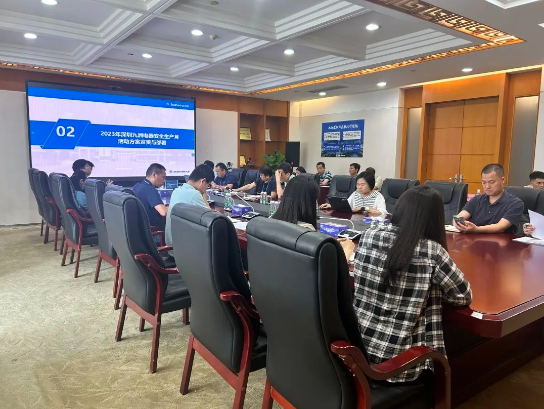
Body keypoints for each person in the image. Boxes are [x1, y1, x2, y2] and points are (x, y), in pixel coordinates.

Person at [352, 185, 472, 383]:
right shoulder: (431, 250)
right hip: (398, 363)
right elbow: (462, 296)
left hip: (357, 351)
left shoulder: (368, 235)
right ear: (434, 219)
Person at [453, 164, 524, 234]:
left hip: (500, 240)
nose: (487, 186)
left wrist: (476, 229)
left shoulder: (515, 203)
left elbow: (500, 227)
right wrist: (457, 222)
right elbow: (460, 216)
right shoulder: (476, 199)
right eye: (484, 182)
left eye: (491, 182)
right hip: (474, 239)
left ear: (503, 180)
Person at [165, 164, 214, 249]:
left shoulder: (176, 190)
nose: (207, 188)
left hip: (172, 245)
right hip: (184, 250)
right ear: (202, 181)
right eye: (208, 185)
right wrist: (204, 196)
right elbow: (212, 218)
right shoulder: (194, 194)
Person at [320, 171, 386, 217]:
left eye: (362, 185)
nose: (359, 187)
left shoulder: (378, 196)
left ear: (371, 184)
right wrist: (332, 205)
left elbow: (382, 213)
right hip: (355, 223)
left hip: (370, 225)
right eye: (358, 184)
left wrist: (363, 208)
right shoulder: (355, 193)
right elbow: (347, 206)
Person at [132, 163, 168, 229]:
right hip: (154, 230)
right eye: (163, 177)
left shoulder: (137, 186)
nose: (164, 181)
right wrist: (173, 207)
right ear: (154, 175)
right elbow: (163, 212)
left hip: (141, 228)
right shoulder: (150, 189)